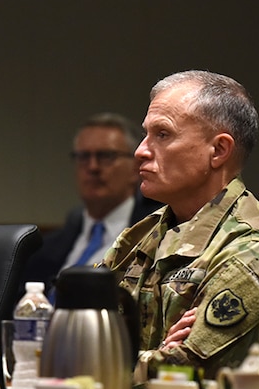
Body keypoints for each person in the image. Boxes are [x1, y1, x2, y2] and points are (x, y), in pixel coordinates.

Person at [101, 70, 259, 382]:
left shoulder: (255, 248)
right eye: (147, 134)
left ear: (218, 151)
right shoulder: (142, 234)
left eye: (162, 135)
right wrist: (158, 351)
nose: (140, 151)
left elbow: (188, 373)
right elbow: (69, 334)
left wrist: (109, 361)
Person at [21, 112, 160, 297]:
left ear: (135, 168)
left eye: (106, 156)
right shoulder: (44, 249)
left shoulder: (154, 237)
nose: (93, 167)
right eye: (84, 157)